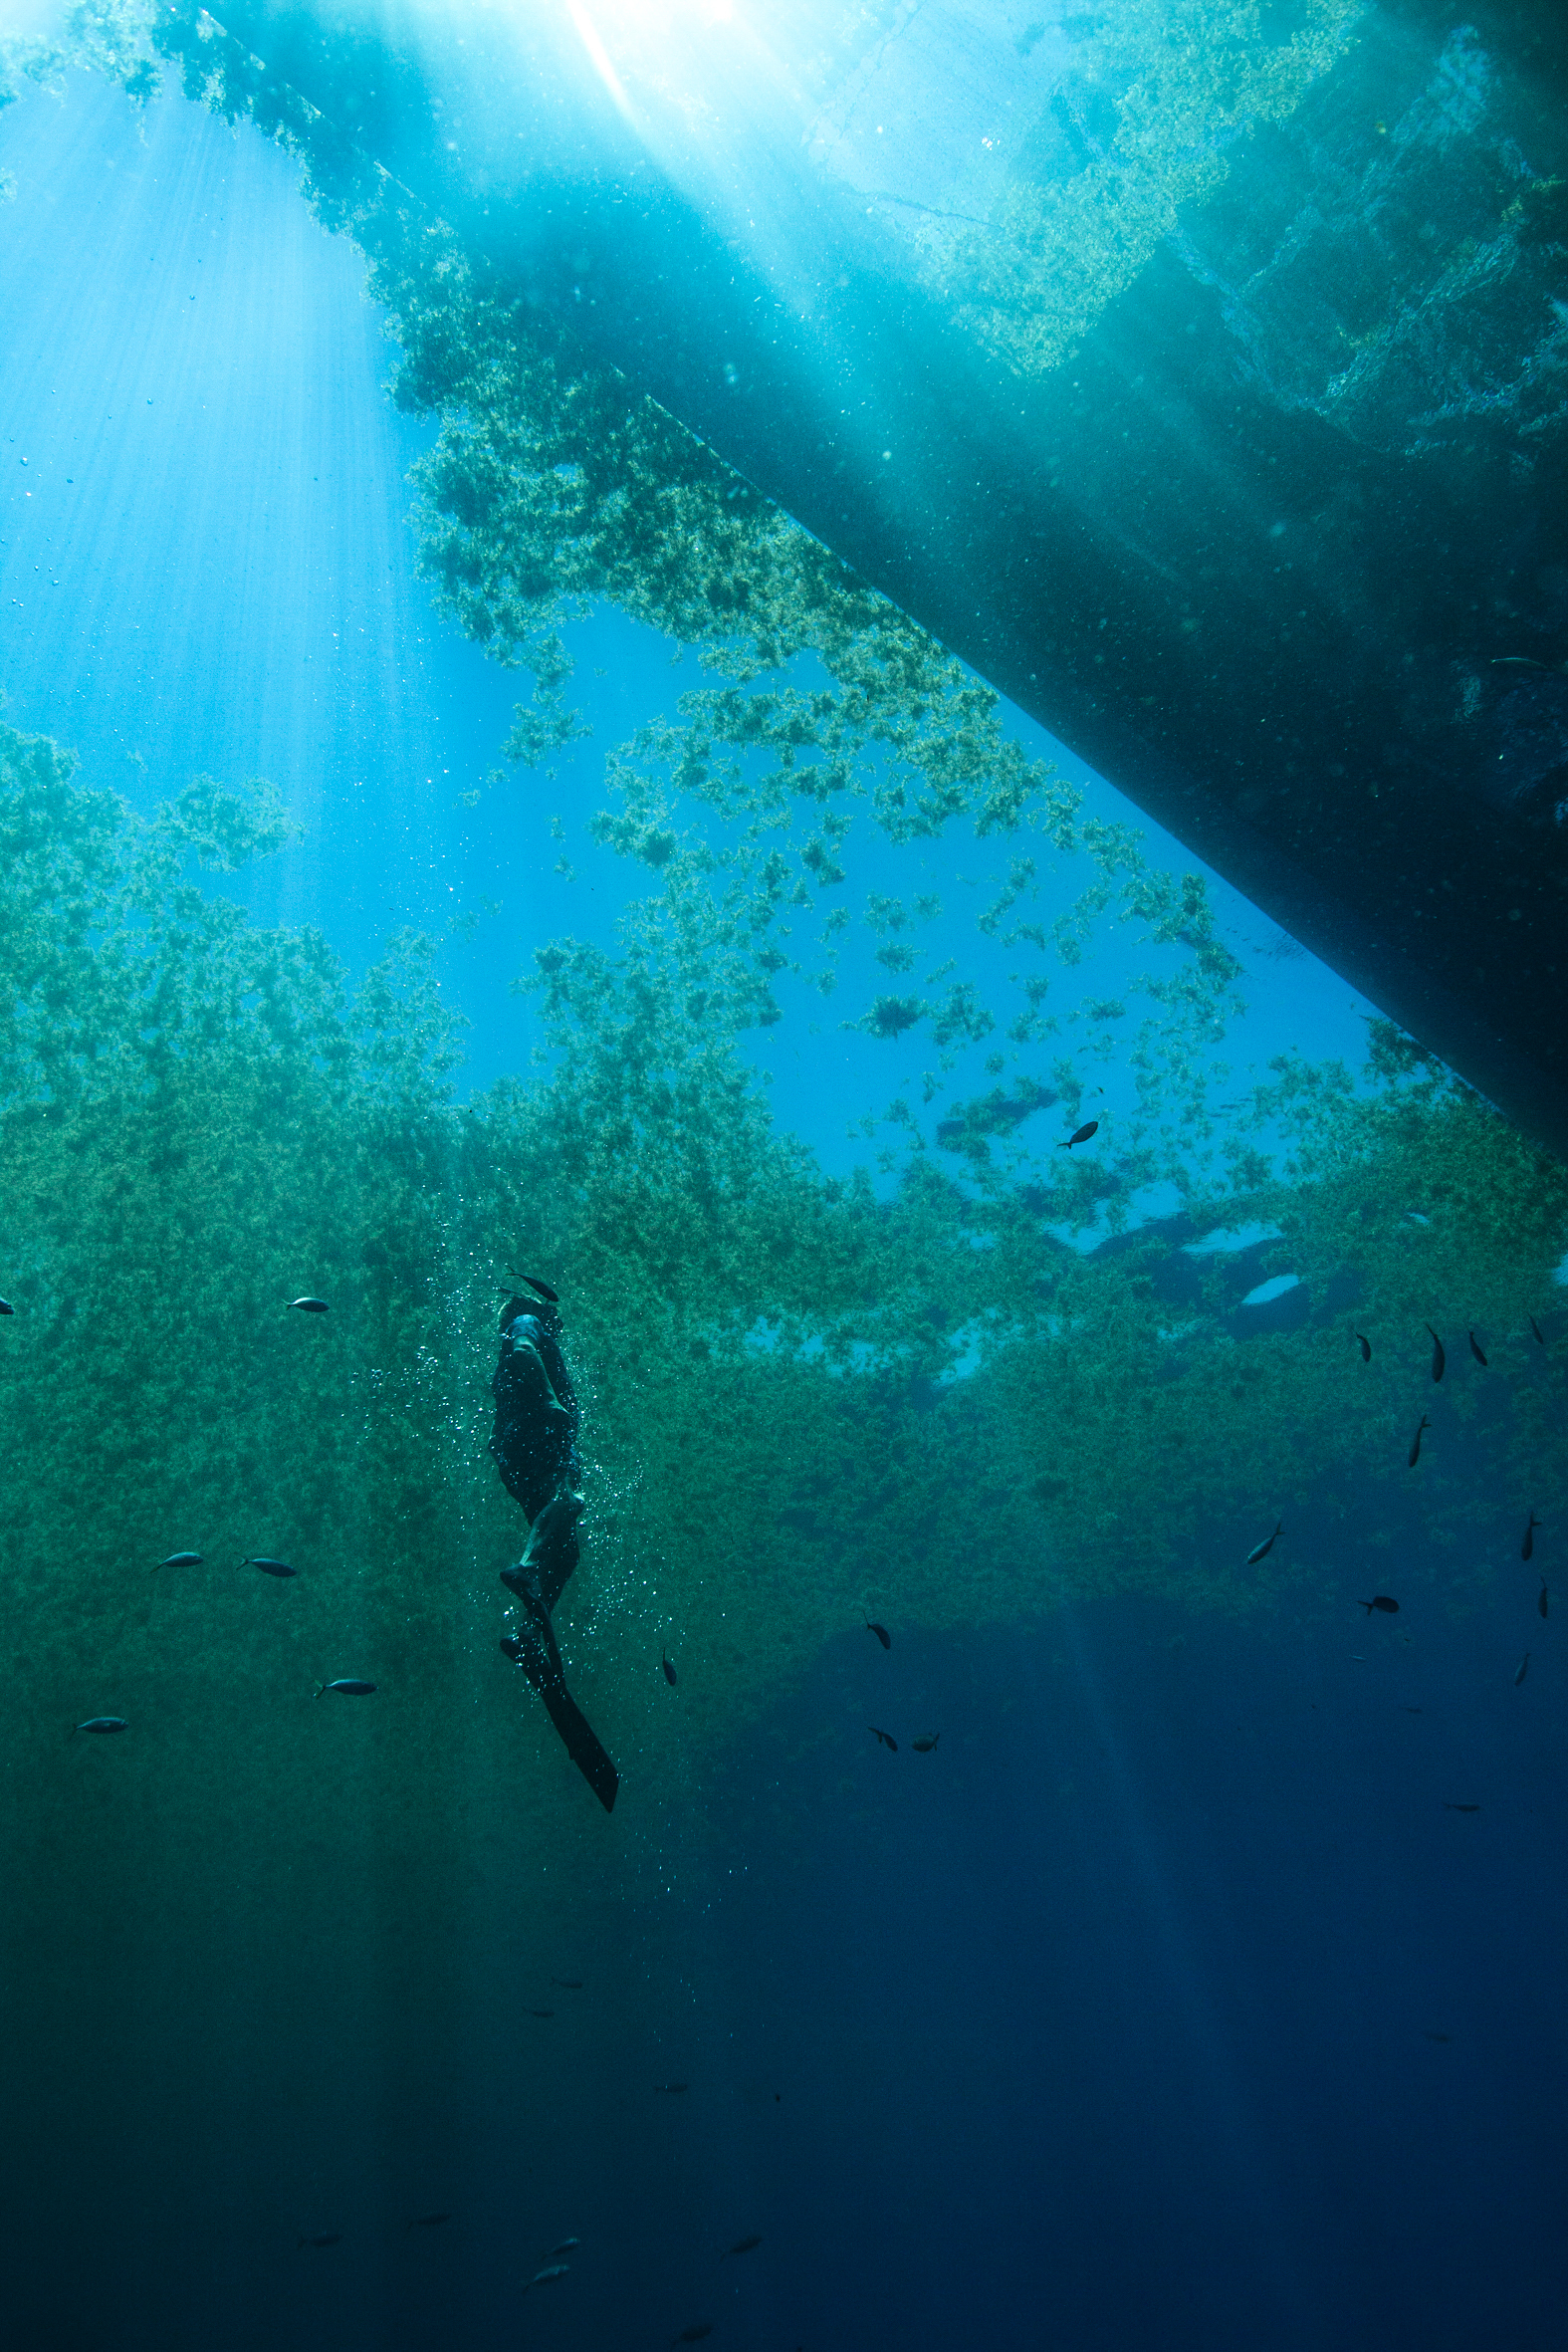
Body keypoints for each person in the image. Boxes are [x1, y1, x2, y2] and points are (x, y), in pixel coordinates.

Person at [491, 1283, 618, 1812]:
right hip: (538, 1433)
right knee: (569, 1501)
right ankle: (527, 1570)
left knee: (565, 1550)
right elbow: (524, 1354)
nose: (558, 1325)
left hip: (516, 1448)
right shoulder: (527, 1325)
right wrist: (548, 1400)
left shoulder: (519, 1332)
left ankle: (527, 1633)